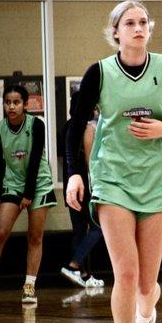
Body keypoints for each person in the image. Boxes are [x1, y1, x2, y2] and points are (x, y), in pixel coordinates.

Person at [65, 0, 162, 323]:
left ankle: (145, 320)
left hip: (158, 176)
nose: (138, 28)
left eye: (143, 22)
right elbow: (75, 126)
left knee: (147, 284)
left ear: (149, 29)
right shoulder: (99, 73)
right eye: (130, 23)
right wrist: (75, 172)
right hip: (113, 178)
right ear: (115, 32)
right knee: (127, 272)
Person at [0, 85, 57, 305]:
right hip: (13, 183)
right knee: (0, 232)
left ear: (25, 105)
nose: (11, 106)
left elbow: (35, 159)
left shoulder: (36, 125)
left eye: (16, 102)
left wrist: (28, 194)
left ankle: (29, 286)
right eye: (8, 102)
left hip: (38, 182)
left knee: (35, 236)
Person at [60, 93, 104, 288]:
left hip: (70, 187)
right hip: (85, 186)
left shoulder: (67, 126)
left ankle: (84, 275)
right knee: (98, 228)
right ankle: (73, 265)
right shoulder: (86, 127)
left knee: (79, 231)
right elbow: (89, 162)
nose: (96, 109)